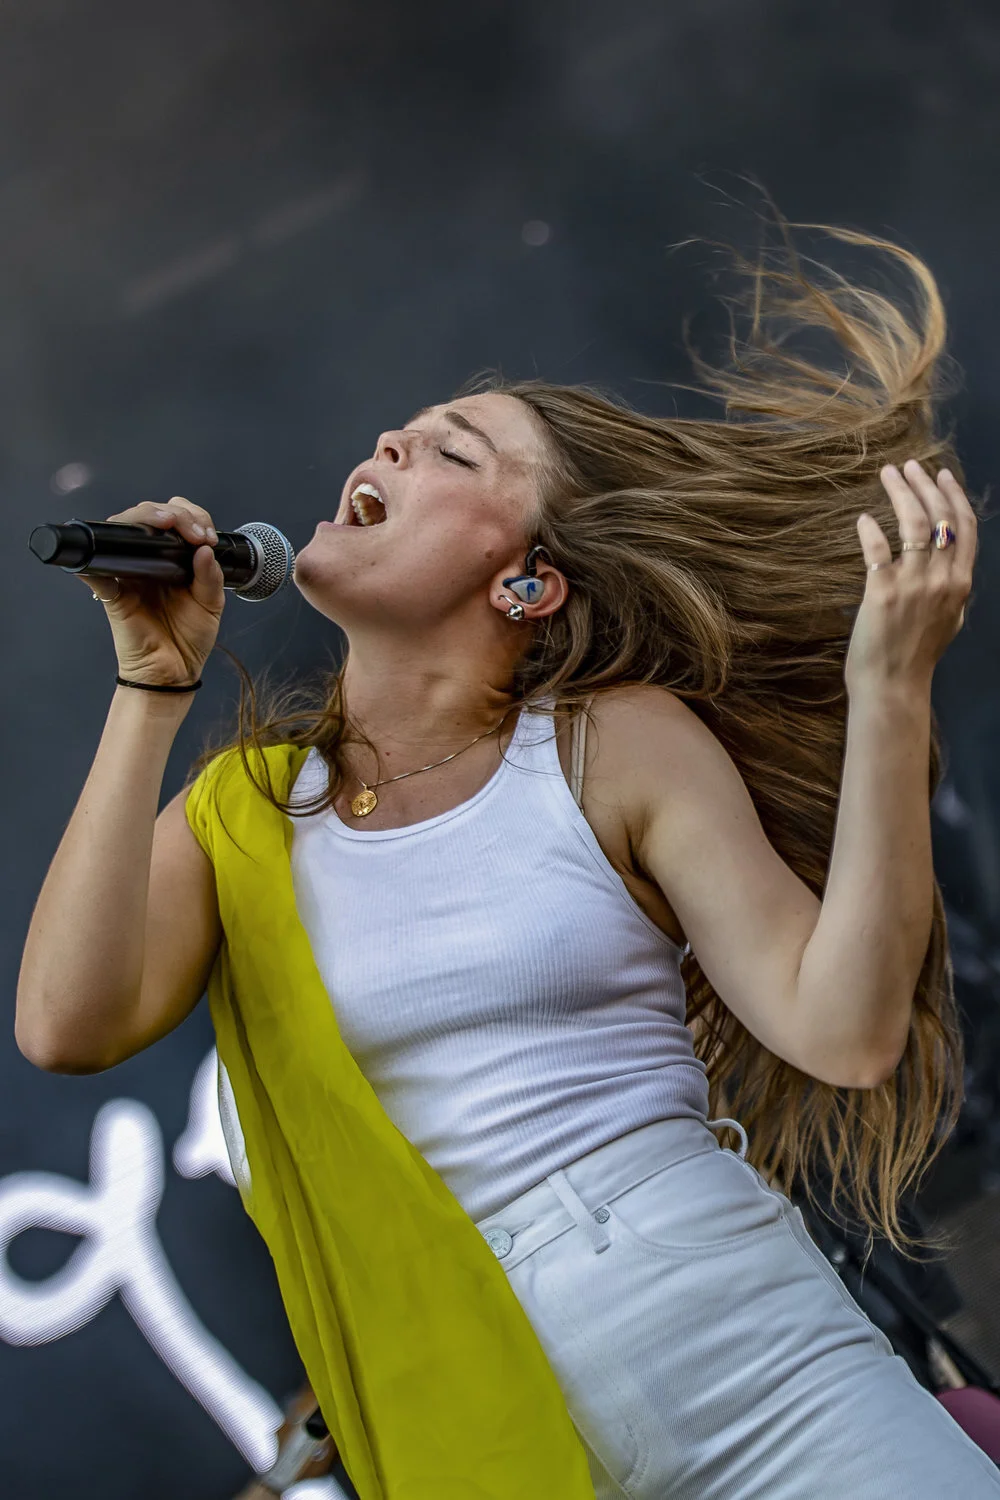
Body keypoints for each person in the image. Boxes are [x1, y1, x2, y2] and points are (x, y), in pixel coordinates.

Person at [16, 223, 1000, 1499]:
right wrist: (150, 691)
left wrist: (890, 692)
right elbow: (63, 1024)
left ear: (526, 584)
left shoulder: (613, 747)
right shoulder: (241, 814)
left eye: (449, 449)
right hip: (474, 1410)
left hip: (753, 1362)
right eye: (396, 436)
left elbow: (847, 1031)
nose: (387, 447)